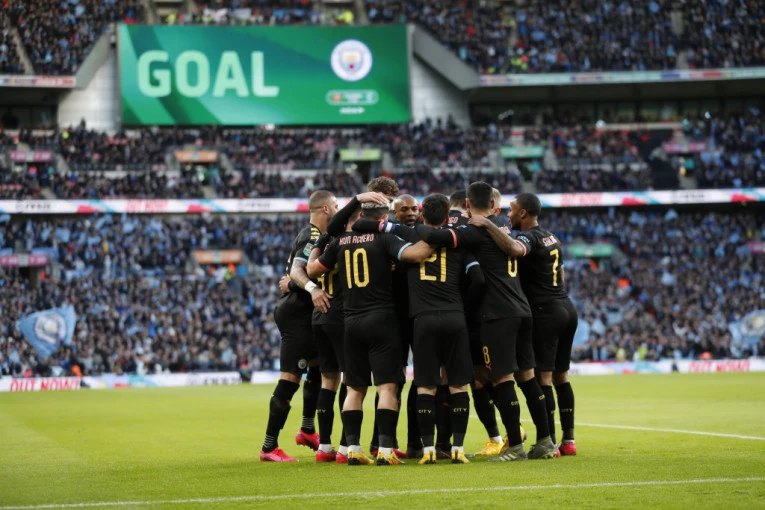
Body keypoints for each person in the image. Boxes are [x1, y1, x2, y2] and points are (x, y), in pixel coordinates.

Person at [415, 181, 557, 460]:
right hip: (522, 309)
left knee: (502, 379)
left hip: (497, 314)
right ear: (494, 204)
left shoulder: (473, 231)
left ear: (468, 204)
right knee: (528, 378)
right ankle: (546, 441)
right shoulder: (504, 224)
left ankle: (515, 447)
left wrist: (405, 227)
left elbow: (434, 236)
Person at [306, 203, 433, 466]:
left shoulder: (339, 242)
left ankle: (352, 449)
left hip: (350, 321)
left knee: (354, 388)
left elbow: (313, 271)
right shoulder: (384, 238)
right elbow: (418, 253)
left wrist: (318, 245)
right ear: (383, 218)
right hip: (382, 320)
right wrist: (434, 238)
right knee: (387, 387)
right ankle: (385, 451)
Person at [473, 193, 578, 455]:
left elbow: (514, 249)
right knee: (561, 376)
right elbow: (561, 272)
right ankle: (568, 440)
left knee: (542, 377)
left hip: (545, 311)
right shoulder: (551, 236)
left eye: (511, 210)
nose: (508, 215)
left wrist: (487, 224)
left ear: (522, 213)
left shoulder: (528, 237)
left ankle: (548, 441)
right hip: (565, 305)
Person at [403, 194, 483, 464]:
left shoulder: (411, 238)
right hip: (454, 317)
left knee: (425, 387)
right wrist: (462, 306)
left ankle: (427, 451)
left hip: (423, 319)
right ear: (448, 216)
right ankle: (457, 449)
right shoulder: (459, 243)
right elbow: (478, 278)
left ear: (421, 214)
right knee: (458, 385)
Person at [260, 190, 337, 462]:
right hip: (296, 314)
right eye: (335, 205)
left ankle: (307, 430)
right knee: (290, 378)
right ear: (325, 209)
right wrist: (309, 288)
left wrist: (294, 284)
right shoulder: (312, 235)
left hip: (306, 314)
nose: (338, 208)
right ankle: (269, 447)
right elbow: (296, 271)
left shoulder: (320, 236)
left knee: (317, 367)